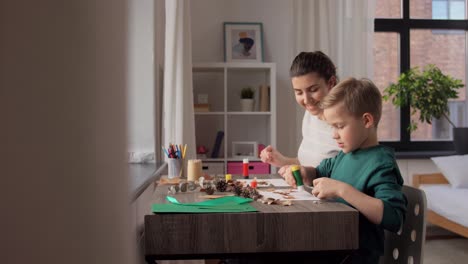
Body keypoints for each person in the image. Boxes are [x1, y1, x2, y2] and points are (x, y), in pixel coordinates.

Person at [284, 77, 407, 264]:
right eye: (332, 127)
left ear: (366, 120)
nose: (334, 134)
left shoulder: (382, 164)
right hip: (332, 244)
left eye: (340, 126)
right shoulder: (345, 154)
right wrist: (304, 173)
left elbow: (393, 216)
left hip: (354, 255)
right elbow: (317, 172)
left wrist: (342, 190)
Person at [260, 51, 340, 178]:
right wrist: (282, 161)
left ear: (331, 83)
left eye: (313, 90)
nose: (306, 100)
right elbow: (308, 164)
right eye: (299, 92)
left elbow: (350, 174)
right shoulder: (310, 115)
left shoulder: (346, 124)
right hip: (308, 194)